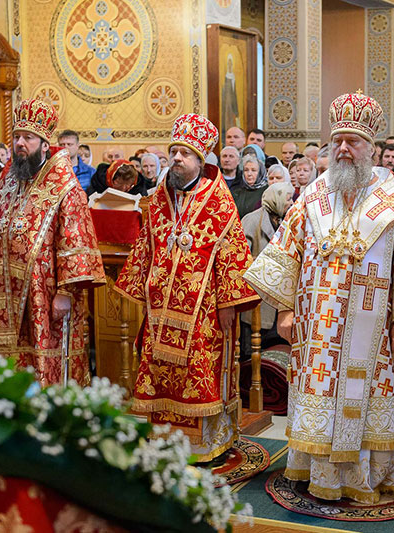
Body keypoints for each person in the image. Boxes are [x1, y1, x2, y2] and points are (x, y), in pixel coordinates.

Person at [243, 92, 394, 504]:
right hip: (317, 328)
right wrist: (284, 308)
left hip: (374, 332)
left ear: (370, 148)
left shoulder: (391, 200)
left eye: (352, 141)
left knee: (368, 402)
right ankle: (316, 472)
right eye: (337, 140)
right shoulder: (313, 194)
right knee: (319, 399)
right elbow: (286, 251)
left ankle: (366, 478)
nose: (342, 149)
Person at [114, 113, 258, 463]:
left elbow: (231, 254)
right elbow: (145, 244)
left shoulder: (218, 198)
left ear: (200, 159)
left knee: (201, 370)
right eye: (173, 151)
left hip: (204, 312)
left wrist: (228, 304)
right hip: (159, 310)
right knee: (159, 373)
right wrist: (137, 288)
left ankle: (205, 446)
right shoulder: (159, 197)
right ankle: (164, 440)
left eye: (185, 153)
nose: (177, 158)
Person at [0, 98, 106, 386]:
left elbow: (74, 241)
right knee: (7, 365)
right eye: (17, 137)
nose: (20, 143)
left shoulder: (65, 186)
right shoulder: (7, 181)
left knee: (45, 363)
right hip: (3, 289)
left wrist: (65, 292)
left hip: (45, 293)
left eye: (28, 138)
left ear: (44, 145)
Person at [239, 181, 296, 356]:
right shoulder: (252, 220)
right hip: (258, 299)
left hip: (279, 298)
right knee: (251, 352)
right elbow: (240, 258)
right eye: (288, 199)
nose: (292, 203)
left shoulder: (289, 221)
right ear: (276, 199)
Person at [232, 153, 268, 217]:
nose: (249, 174)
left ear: (260, 172)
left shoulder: (267, 191)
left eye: (253, 170)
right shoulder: (237, 193)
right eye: (246, 170)